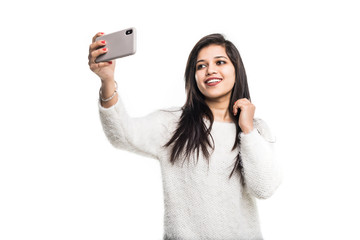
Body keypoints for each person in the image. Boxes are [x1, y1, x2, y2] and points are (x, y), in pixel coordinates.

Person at [88, 32, 282, 240]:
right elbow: (122, 134)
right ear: (193, 76)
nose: (210, 70)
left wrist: (248, 130)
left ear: (237, 70)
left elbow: (264, 188)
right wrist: (107, 80)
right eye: (201, 66)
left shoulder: (256, 129)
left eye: (220, 62)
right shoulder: (173, 123)